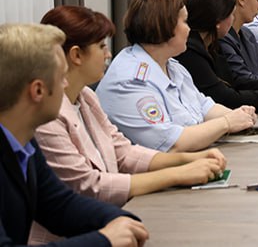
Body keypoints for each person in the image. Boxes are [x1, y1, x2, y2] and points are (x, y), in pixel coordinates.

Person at [31, 6, 227, 242]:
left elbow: (122, 151)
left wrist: (187, 159)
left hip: (104, 222)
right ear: (76, 55)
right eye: (101, 46)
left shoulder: (86, 96)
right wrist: (178, 174)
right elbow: (88, 186)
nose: (108, 54)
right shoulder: (47, 116)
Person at [0, 23, 148, 247]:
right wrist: (105, 240)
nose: (66, 84)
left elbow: (58, 204)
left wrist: (119, 219)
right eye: (61, 77)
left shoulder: (23, 140)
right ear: (38, 90)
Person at [96, 0, 257, 152]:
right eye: (185, 21)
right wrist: (227, 122)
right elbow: (172, 143)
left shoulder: (172, 66)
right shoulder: (131, 81)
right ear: (166, 26)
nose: (189, 29)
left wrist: (238, 115)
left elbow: (203, 106)